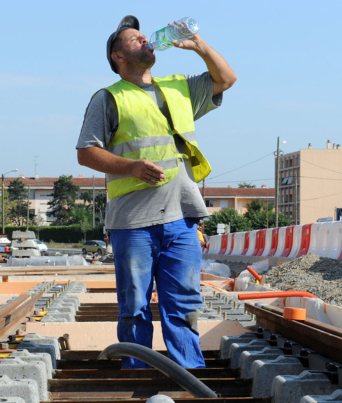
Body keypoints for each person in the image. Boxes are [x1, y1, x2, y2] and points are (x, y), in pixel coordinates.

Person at [76, 15, 236, 369]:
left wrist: (199, 46)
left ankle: (188, 374)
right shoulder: (109, 98)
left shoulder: (178, 88)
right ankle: (137, 374)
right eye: (134, 39)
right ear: (118, 56)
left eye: (145, 36)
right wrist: (131, 167)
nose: (145, 40)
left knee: (183, 304)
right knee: (134, 306)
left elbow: (227, 78)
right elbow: (87, 152)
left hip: (181, 218)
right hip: (133, 223)